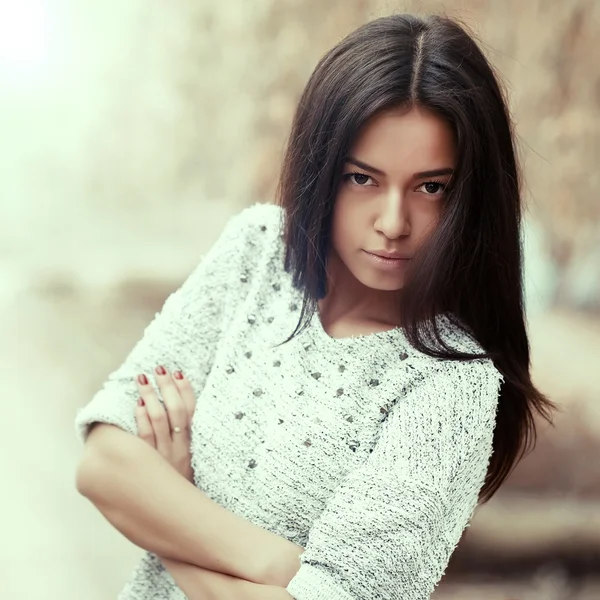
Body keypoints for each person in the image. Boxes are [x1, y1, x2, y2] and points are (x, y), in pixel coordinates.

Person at [74, 12, 557, 600]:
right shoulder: (257, 254)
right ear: (323, 168)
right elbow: (104, 463)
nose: (392, 223)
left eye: (431, 187)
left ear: (471, 197)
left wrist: (173, 506)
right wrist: (280, 565)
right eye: (362, 179)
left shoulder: (452, 385)